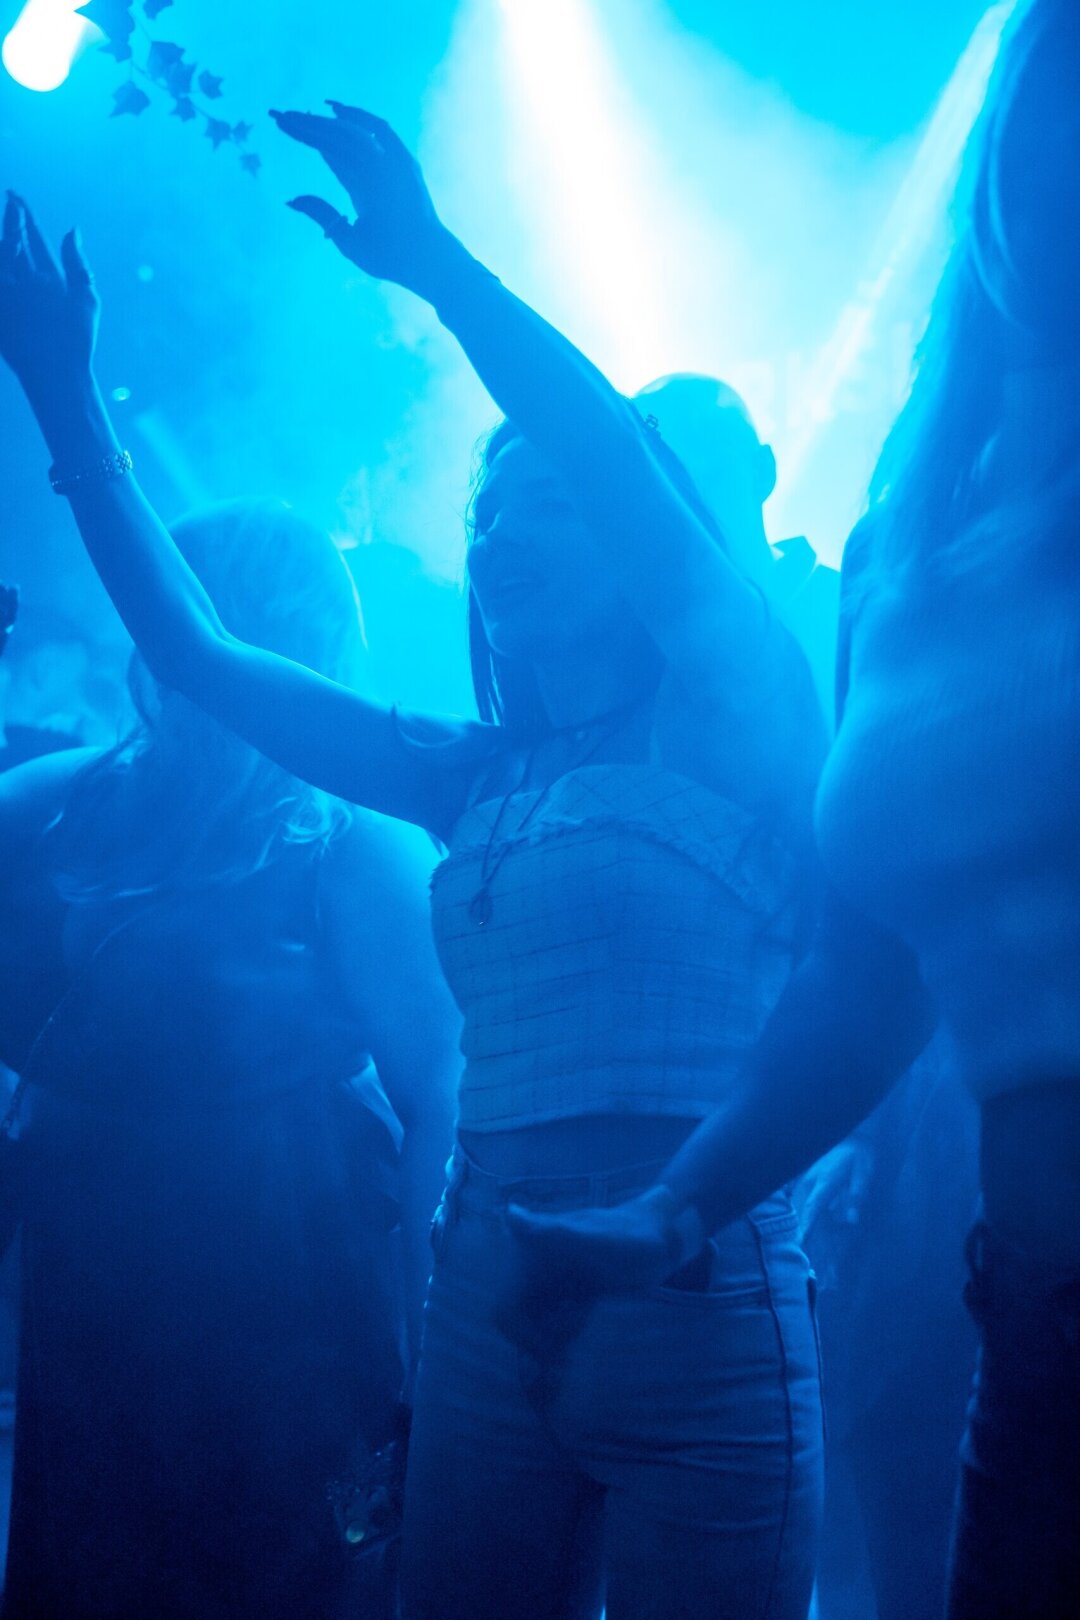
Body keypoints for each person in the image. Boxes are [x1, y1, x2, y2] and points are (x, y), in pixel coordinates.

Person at [0, 101, 827, 1620]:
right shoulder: (474, 771)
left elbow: (611, 450)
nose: (500, 535)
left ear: (637, 537)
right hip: (485, 1298)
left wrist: (442, 272)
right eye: (484, 513)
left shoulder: (732, 707)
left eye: (546, 503)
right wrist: (64, 400)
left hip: (692, 1289)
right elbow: (201, 653)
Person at [508, 2, 1080, 1615]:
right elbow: (866, 970)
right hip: (1028, 1318)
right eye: (1055, 102)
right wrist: (678, 1204)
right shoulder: (908, 538)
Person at [0, 495, 459, 1618]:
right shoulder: (50, 805)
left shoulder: (356, 847)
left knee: (279, 1564)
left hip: (286, 1288)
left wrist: (438, 1370)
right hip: (94, 1280)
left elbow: (440, 1109)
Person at [635, 375, 840, 723]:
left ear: (763, 471)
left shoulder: (848, 610)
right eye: (654, 472)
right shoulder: (640, 646)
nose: (679, 491)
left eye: (702, 454)